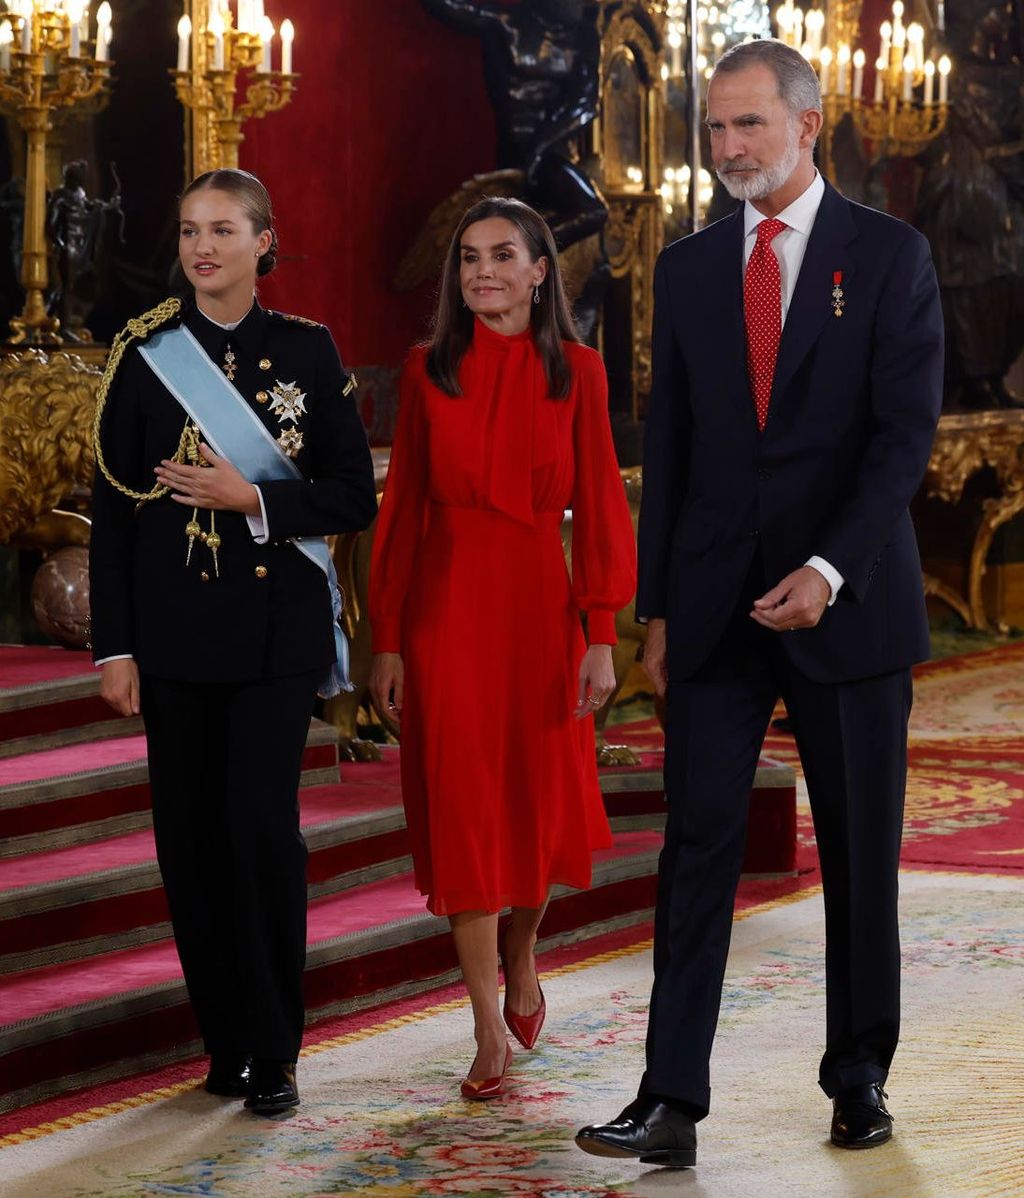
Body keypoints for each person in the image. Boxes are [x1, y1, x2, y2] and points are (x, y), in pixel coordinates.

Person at [576, 39, 943, 1167]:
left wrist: (827, 570)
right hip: (714, 612)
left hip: (850, 603)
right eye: (715, 129)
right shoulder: (687, 270)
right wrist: (655, 610)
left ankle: (858, 1077)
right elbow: (673, 449)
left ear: (806, 122)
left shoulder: (890, 257)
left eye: (749, 125)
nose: (730, 147)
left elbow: (899, 444)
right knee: (694, 849)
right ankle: (669, 1099)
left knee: (856, 850)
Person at [89, 168, 377, 1115]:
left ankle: (277, 1049)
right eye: (187, 231)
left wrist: (255, 497)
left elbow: (352, 494)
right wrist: (114, 647)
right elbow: (114, 518)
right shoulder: (146, 355)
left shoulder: (305, 348)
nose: (201, 247)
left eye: (222, 229)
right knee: (190, 843)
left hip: (271, 640)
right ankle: (225, 1042)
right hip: (172, 639)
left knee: (260, 835)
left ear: (264, 240)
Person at [368, 196, 635, 1098]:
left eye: (502, 254)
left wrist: (601, 634)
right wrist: (389, 637)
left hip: (539, 610)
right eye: (468, 257)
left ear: (538, 270)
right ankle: (485, 1024)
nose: (482, 270)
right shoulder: (425, 370)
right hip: (447, 611)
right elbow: (400, 512)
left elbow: (599, 504)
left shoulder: (582, 374)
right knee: (466, 808)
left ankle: (523, 948)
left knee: (536, 799)